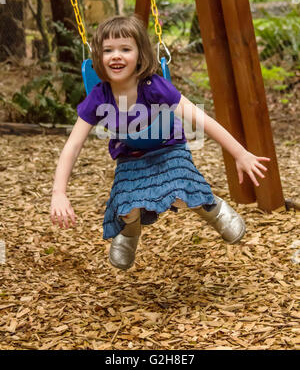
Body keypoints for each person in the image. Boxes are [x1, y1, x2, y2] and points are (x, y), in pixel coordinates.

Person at [50, 15, 270, 271]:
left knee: (181, 192)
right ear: (98, 57)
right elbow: (73, 145)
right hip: (130, 155)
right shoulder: (99, 96)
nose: (116, 56)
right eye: (108, 50)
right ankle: (130, 231)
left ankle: (214, 209)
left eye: (125, 49)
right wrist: (59, 193)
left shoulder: (154, 86)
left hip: (168, 147)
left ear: (141, 54)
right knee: (126, 204)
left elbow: (201, 118)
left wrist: (240, 153)